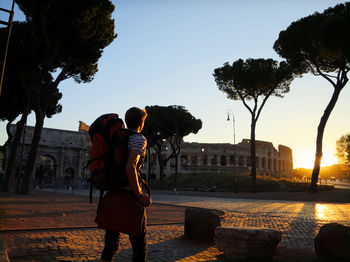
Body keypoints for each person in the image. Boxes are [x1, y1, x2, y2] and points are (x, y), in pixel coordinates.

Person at [100, 107, 152, 262]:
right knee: (139, 246)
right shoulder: (139, 139)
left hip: (113, 194)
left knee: (110, 245)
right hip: (129, 197)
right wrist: (139, 195)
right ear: (142, 122)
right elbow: (130, 167)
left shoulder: (116, 137)